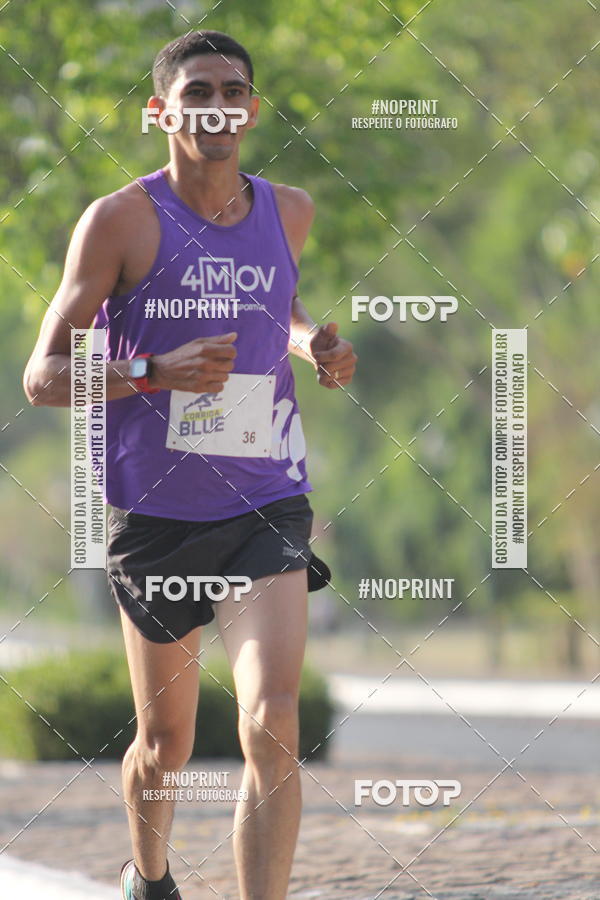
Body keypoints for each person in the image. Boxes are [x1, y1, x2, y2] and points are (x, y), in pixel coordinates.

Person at [23, 29, 357, 900]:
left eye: (233, 90)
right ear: (161, 111)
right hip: (158, 512)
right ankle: (150, 873)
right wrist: (149, 373)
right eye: (198, 90)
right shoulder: (119, 221)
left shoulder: (289, 210)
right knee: (167, 745)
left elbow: (272, 310)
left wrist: (309, 343)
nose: (218, 105)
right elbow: (42, 377)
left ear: (252, 108)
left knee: (272, 723)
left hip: (265, 499)